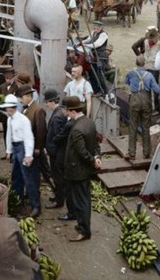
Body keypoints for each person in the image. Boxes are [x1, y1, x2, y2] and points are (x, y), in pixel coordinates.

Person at [63, 97, 102, 242]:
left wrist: (93, 160)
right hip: (85, 170)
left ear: (73, 111)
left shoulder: (77, 129)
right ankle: (82, 225)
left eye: (68, 111)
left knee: (81, 201)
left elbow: (82, 151)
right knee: (83, 198)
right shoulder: (89, 122)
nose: (67, 114)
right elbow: (95, 143)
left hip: (77, 171)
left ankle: (84, 231)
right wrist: (97, 157)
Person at [2, 94, 39, 218]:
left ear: (15, 107)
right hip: (16, 148)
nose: (10, 109)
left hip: (23, 148)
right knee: (16, 177)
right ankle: (18, 202)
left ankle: (35, 206)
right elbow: (9, 135)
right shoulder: (9, 119)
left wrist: (28, 155)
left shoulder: (23, 120)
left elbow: (29, 137)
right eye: (8, 108)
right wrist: (8, 150)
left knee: (28, 178)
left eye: (12, 107)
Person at [18, 84, 47, 218]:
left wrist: (38, 149)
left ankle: (36, 207)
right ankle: (31, 199)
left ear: (28, 97)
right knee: (29, 177)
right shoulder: (27, 109)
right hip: (27, 148)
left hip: (33, 150)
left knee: (33, 179)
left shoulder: (37, 110)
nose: (20, 100)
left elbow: (41, 132)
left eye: (21, 98)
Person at [124, 56, 160, 160]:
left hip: (134, 100)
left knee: (133, 126)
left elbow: (126, 82)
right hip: (146, 101)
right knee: (146, 127)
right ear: (144, 63)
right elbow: (157, 89)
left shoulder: (131, 73)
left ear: (136, 63)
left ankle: (131, 153)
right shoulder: (149, 75)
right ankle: (146, 153)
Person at [44, 89, 67, 211]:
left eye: (47, 102)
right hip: (57, 152)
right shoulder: (59, 113)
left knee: (58, 177)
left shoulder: (57, 116)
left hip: (56, 153)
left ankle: (59, 201)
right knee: (57, 176)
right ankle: (59, 196)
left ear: (52, 101)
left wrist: (52, 147)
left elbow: (58, 136)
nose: (46, 105)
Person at [82, 20, 109, 95]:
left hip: (100, 56)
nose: (96, 29)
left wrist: (86, 45)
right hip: (93, 56)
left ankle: (104, 91)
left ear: (101, 28)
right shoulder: (93, 32)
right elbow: (88, 40)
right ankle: (95, 90)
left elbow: (97, 44)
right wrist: (82, 42)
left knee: (100, 74)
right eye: (95, 28)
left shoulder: (104, 35)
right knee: (92, 74)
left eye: (97, 28)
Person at [0, 67, 18, 149]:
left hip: (14, 114)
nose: (9, 80)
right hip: (4, 115)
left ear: (13, 77)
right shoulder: (1, 87)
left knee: (14, 134)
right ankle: (7, 151)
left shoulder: (17, 87)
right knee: (6, 133)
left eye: (10, 78)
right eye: (7, 78)